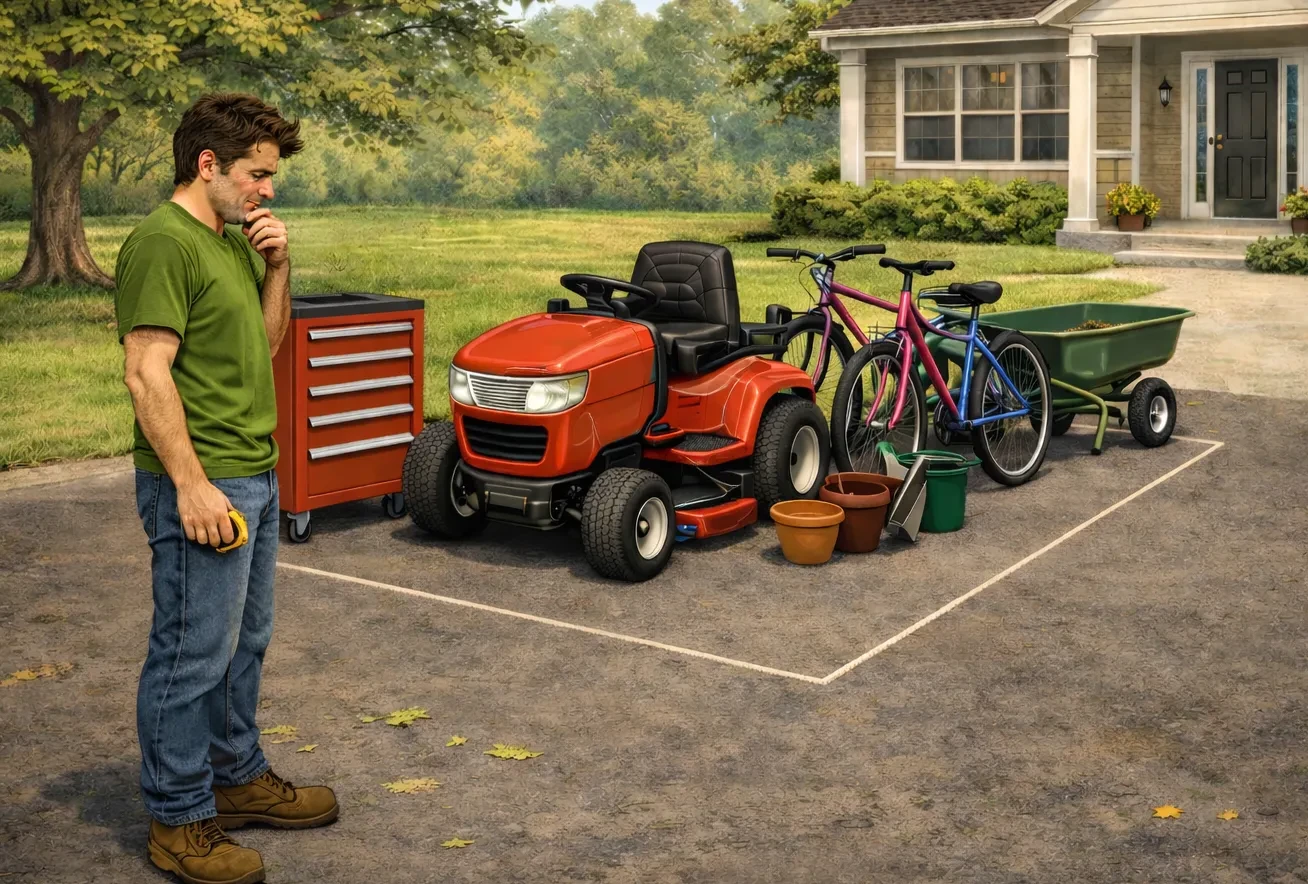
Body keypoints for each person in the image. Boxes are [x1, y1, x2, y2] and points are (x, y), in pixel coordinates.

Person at [114, 93, 337, 884]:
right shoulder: (162, 244)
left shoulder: (232, 243)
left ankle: (235, 777)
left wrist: (278, 266)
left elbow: (265, 342)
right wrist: (191, 486)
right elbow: (147, 373)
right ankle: (178, 819)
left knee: (243, 646)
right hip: (206, 482)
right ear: (207, 165)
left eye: (270, 177)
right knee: (189, 654)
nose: (267, 190)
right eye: (256, 174)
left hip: (255, 473)